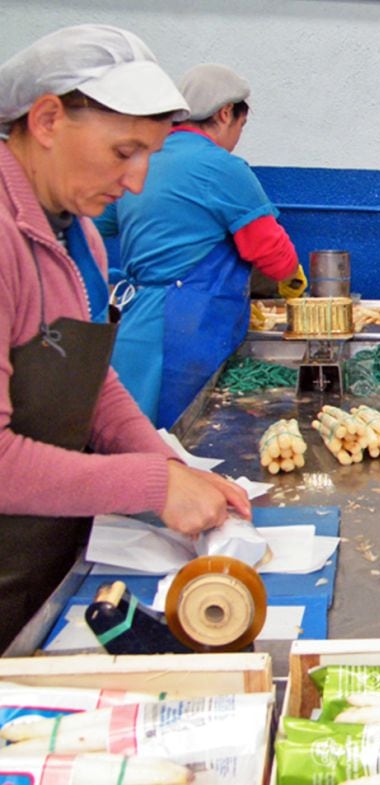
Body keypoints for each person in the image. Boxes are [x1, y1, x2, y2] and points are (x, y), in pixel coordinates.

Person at [0, 25, 251, 650]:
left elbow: (93, 384)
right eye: (123, 153)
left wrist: (169, 462)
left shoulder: (77, 235)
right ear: (49, 118)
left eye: (149, 156)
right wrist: (153, 486)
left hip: (38, 564)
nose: (136, 181)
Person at [97, 63, 305, 429]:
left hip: (132, 326)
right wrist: (294, 279)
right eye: (241, 126)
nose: (238, 137)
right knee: (181, 446)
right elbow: (274, 257)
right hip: (185, 333)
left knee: (128, 439)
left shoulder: (141, 159)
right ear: (226, 113)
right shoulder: (221, 167)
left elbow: (93, 223)